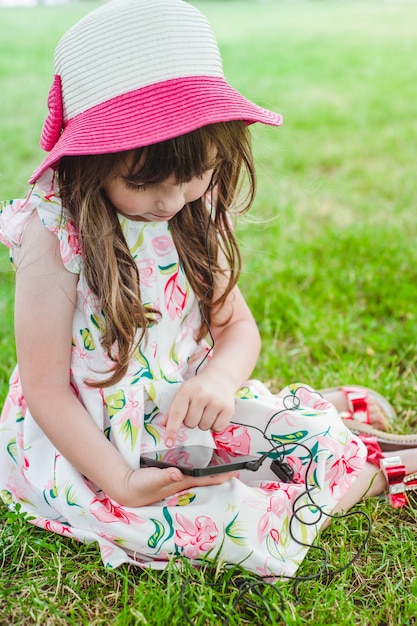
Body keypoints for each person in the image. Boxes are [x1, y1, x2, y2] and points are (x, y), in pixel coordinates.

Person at [0, 0, 416, 577]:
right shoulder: (55, 232)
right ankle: (369, 470)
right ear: (91, 162)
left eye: (194, 175)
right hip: (86, 442)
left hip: (180, 414)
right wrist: (120, 480)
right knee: (220, 524)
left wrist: (220, 378)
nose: (170, 201)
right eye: (144, 182)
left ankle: (336, 430)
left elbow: (235, 327)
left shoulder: (194, 209)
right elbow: (46, 390)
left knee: (288, 442)